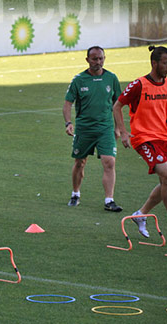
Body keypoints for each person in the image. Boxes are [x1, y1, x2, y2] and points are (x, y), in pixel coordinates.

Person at [113, 45, 167, 239]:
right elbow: (117, 106)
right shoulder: (138, 84)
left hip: (164, 138)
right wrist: (123, 132)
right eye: (165, 63)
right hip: (144, 139)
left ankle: (140, 214)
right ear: (154, 63)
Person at [63, 46, 122, 212]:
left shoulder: (111, 78)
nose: (98, 62)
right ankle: (75, 193)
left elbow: (118, 104)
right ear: (87, 60)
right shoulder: (79, 80)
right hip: (84, 129)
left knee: (109, 162)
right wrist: (68, 123)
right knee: (80, 163)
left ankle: (109, 200)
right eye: (95, 59)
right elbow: (68, 103)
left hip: (105, 128)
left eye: (101, 58)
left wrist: (118, 128)